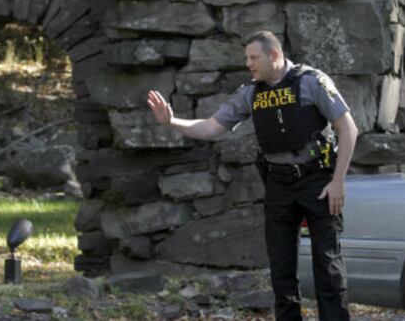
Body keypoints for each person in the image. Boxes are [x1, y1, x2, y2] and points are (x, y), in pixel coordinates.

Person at [147, 30, 357, 321]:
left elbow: (348, 129)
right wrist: (171, 121)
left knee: (328, 264)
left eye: (253, 57)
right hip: (278, 185)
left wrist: (338, 182)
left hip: (318, 182)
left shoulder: (312, 82)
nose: (248, 64)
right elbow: (210, 127)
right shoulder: (251, 93)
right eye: (247, 58)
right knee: (281, 270)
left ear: (274, 55)